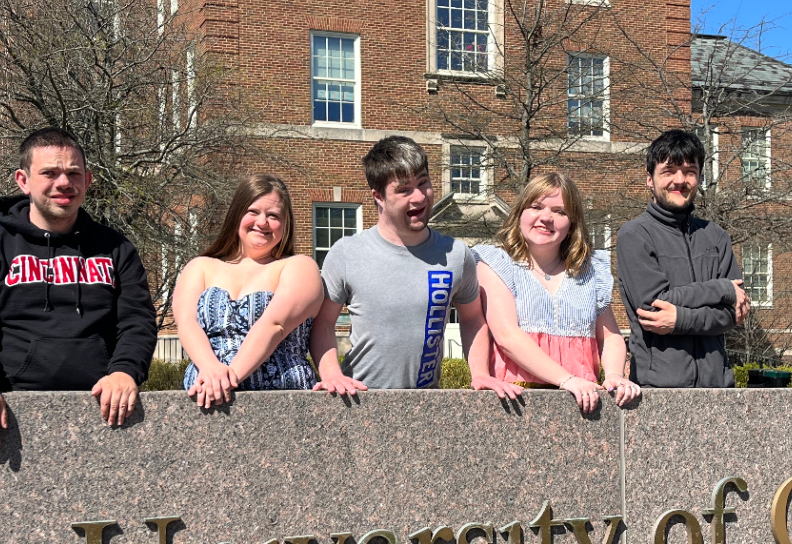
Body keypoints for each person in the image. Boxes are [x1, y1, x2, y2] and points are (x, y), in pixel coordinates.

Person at [0, 127, 157, 452]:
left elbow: (137, 321)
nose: (64, 183)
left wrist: (125, 372)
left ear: (88, 180)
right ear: (23, 180)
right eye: (50, 173)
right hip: (11, 409)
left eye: (73, 173)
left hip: (104, 410)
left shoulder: (117, 248)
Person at [310, 136, 515, 396]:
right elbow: (323, 323)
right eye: (404, 190)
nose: (419, 197)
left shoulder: (456, 254)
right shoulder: (347, 253)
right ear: (379, 197)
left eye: (423, 182)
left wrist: (481, 373)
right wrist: (331, 375)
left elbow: (472, 318)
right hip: (358, 398)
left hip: (426, 402)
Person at [469, 172, 639, 412]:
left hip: (583, 402)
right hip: (515, 401)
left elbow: (610, 337)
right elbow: (507, 336)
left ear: (571, 224)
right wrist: (566, 379)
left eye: (560, 211)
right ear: (520, 213)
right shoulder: (496, 263)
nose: (546, 218)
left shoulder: (591, 272)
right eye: (536, 207)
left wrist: (614, 375)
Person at [171, 175, 322, 407]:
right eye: (253, 211)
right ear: (237, 214)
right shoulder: (199, 267)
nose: (262, 222)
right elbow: (186, 322)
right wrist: (210, 368)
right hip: (206, 397)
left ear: (286, 224)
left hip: (283, 402)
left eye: (273, 216)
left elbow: (275, 325)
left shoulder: (299, 267)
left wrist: (227, 379)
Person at [615, 129, 750, 388]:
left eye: (689, 171)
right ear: (650, 179)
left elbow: (733, 314)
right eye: (669, 171)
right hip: (657, 388)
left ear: (699, 177)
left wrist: (679, 319)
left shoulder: (716, 236)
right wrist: (721, 289)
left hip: (718, 388)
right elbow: (653, 308)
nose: (680, 180)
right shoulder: (634, 235)